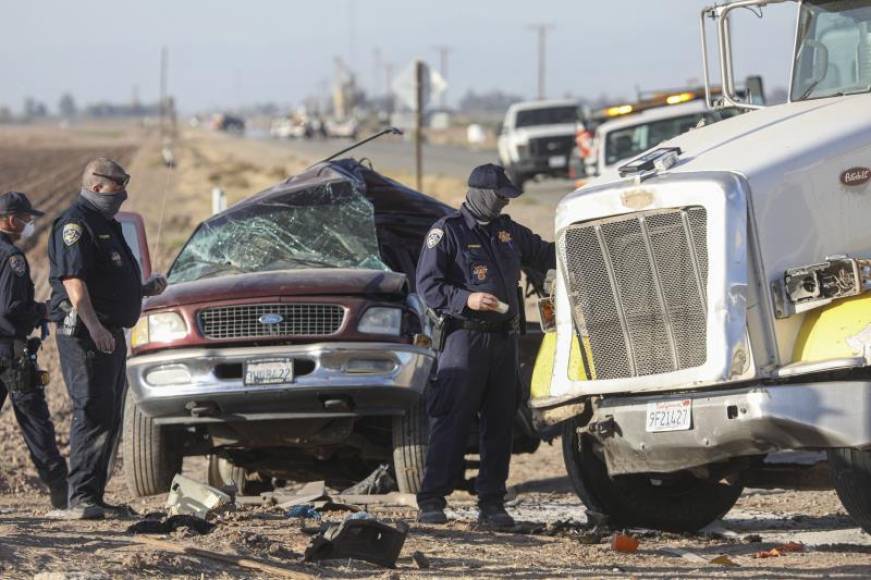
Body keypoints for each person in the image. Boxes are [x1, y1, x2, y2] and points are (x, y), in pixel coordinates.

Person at [415, 163, 556, 527]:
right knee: (452, 418)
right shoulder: (447, 232)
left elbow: (545, 253)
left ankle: (492, 503)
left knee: (500, 421)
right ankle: (433, 499)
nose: (503, 204)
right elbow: (428, 286)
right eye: (499, 197)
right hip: (465, 339)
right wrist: (467, 300)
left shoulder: (508, 232)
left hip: (504, 341)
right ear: (480, 193)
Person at [46, 159, 167, 520]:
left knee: (109, 415)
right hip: (85, 334)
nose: (123, 192)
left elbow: (108, 279)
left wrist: (143, 289)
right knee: (92, 410)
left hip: (109, 334)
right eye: (118, 185)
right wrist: (96, 328)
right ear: (97, 186)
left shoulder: (106, 225)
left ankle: (94, 498)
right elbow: (74, 284)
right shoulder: (75, 224)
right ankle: (80, 498)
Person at [0, 191, 68, 509]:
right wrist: (41, 311)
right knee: (34, 420)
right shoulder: (12, 258)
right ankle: (59, 491)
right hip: (9, 354)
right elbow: (12, 308)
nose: (29, 224)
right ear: (10, 219)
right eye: (26, 219)